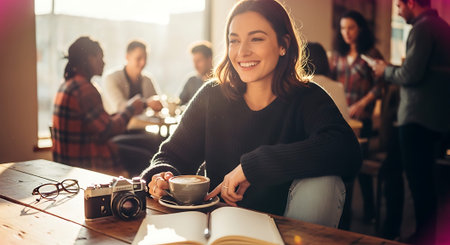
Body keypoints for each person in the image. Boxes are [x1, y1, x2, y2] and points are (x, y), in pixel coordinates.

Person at [141, 0, 362, 228]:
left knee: (325, 182)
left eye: (256, 38)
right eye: (234, 40)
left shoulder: (307, 97)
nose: (242, 52)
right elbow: (171, 155)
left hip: (288, 229)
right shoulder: (212, 95)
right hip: (222, 228)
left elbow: (346, 150)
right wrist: (162, 176)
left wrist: (253, 167)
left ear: (283, 44)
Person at [370, 0, 450, 243]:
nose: (397, 11)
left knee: (419, 183)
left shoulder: (423, 28)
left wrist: (385, 71)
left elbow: (411, 74)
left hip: (417, 118)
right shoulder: (442, 26)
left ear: (411, 3)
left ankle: (420, 237)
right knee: (421, 180)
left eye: (398, 6)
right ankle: (409, 233)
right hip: (435, 117)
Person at [51, 37, 146, 173]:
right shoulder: (84, 89)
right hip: (89, 161)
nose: (104, 62)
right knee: (148, 155)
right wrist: (131, 108)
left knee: (143, 142)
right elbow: (107, 130)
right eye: (100, 58)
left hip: (70, 159)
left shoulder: (67, 84)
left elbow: (97, 124)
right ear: (89, 59)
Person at [330, 10, 384, 224]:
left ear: (360, 28)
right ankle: (345, 215)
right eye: (343, 28)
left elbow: (381, 85)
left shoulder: (372, 53)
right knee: (343, 166)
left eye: (351, 27)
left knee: (360, 167)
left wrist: (363, 103)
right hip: (341, 118)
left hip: (363, 120)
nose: (347, 33)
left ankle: (369, 211)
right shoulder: (337, 55)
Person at [103, 40, 162, 114]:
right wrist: (146, 104)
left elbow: (159, 104)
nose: (143, 63)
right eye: (138, 58)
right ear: (127, 57)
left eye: (145, 58)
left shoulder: (148, 80)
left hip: (142, 124)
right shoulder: (111, 78)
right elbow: (119, 107)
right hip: (117, 125)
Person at [179, 41, 213, 105]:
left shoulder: (220, 82)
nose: (195, 66)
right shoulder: (191, 81)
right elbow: (179, 102)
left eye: (199, 61)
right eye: (194, 61)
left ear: (209, 59)